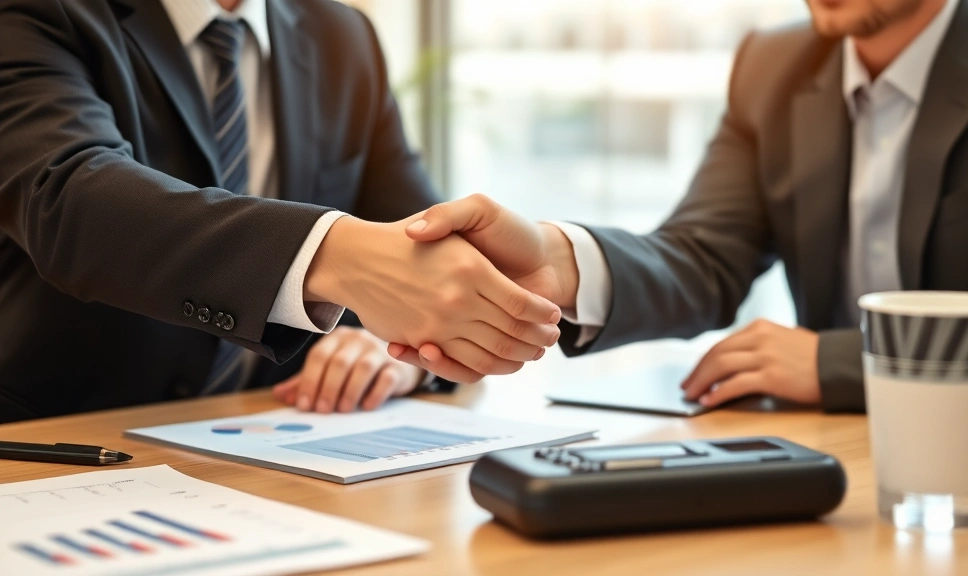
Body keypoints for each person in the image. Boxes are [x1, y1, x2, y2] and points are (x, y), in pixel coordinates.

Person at [389, 0, 968, 412]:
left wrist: (843, 365)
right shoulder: (775, 64)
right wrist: (559, 264)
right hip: (838, 454)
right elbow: (705, 257)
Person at [0, 0, 561, 423]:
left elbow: (419, 238)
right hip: (57, 447)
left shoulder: (339, 34)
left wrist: (398, 351)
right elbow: (65, 197)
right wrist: (333, 253)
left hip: (282, 437)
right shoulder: (37, 12)